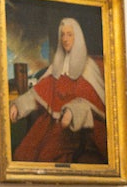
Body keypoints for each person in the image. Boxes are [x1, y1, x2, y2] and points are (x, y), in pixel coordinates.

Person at [10, 17, 108, 165]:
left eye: (69, 34)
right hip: (51, 124)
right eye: (62, 35)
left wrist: (72, 112)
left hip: (77, 129)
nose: (65, 39)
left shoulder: (88, 67)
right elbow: (39, 92)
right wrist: (18, 105)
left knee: (47, 155)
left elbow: (93, 103)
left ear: (77, 37)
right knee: (23, 153)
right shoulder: (57, 66)